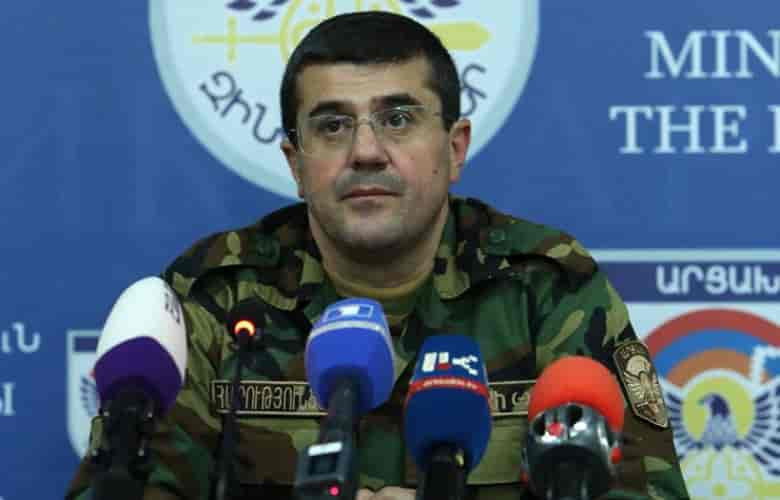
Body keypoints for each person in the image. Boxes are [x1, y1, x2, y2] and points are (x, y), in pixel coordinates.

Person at [67, 11, 689, 500]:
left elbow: (644, 493)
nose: (366, 152)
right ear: (296, 164)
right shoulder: (217, 297)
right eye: (332, 126)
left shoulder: (547, 289)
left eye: (397, 119)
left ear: (454, 148)